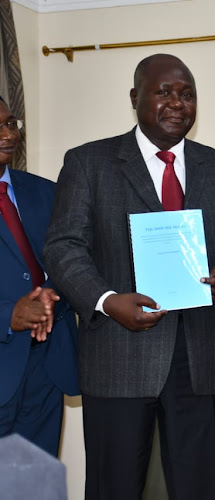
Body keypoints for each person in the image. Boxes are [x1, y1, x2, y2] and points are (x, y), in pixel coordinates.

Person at [43, 54, 215, 500]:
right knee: (115, 488)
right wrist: (108, 300)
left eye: (187, 94)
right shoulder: (89, 162)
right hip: (118, 356)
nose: (177, 103)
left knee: (201, 487)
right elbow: (63, 245)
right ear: (135, 98)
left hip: (199, 357)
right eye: (164, 91)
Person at [0, 97, 78, 457]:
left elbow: (72, 256)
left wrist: (50, 292)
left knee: (36, 486)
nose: (8, 135)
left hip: (47, 365)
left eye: (11, 123)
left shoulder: (46, 191)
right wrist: (8, 316)